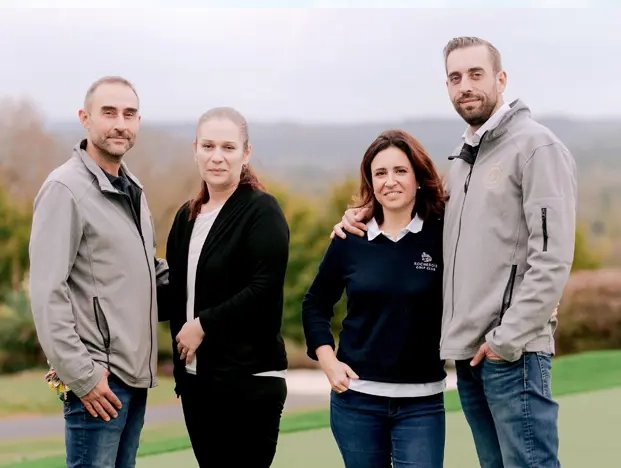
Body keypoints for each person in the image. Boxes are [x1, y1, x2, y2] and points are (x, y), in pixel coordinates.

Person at [334, 36, 576, 468]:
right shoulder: (463, 158)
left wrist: (507, 339)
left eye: (476, 74)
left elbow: (552, 258)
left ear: (501, 79)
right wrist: (364, 214)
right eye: (455, 77)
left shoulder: (536, 147)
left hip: (512, 353)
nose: (465, 85)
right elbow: (425, 221)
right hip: (470, 356)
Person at [28, 76, 169, 468]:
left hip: (134, 378)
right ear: (85, 118)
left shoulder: (132, 187)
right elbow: (46, 292)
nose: (120, 123)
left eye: (129, 114)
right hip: (98, 381)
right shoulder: (65, 188)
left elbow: (147, 274)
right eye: (109, 113)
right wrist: (83, 376)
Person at [303, 129, 447, 468]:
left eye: (400, 171)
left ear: (418, 178)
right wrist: (327, 361)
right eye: (380, 173)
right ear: (370, 181)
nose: (390, 181)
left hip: (422, 403)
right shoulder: (350, 236)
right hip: (356, 402)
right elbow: (315, 304)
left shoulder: (443, 233)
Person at [161, 106, 289, 467]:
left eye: (229, 148)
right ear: (195, 149)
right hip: (198, 383)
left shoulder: (262, 210)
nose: (217, 157)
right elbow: (176, 292)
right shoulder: (186, 217)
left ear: (245, 153)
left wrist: (202, 325)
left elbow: (263, 289)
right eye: (208, 146)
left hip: (249, 380)